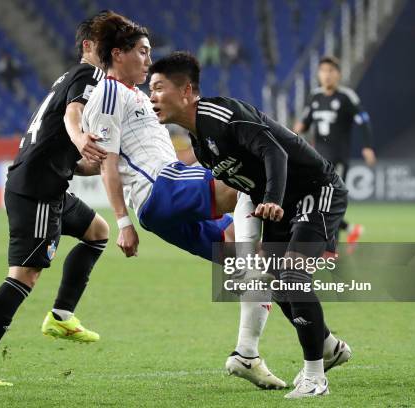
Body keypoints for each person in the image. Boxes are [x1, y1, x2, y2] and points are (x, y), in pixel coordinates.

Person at [82, 13, 285, 389]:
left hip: (165, 201)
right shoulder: (109, 91)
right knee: (247, 181)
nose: (147, 60)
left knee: (250, 254)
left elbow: (100, 159)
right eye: (141, 52)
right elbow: (108, 162)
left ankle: (249, 353)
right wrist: (122, 223)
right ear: (118, 54)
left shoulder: (134, 96)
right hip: (162, 187)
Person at [148, 51, 352, 399]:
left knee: (293, 276)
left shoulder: (221, 115)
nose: (151, 96)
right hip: (278, 205)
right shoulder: (201, 144)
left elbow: (275, 152)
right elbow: (245, 188)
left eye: (158, 88)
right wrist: (251, 240)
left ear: (186, 91)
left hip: (316, 190)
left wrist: (271, 197)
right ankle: (330, 349)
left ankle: (315, 377)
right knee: (273, 281)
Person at [0, 13, 111, 386]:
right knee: (25, 275)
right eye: (107, 42)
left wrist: (102, 165)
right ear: (89, 46)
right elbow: (73, 118)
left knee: (97, 231)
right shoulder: (89, 75)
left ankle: (61, 316)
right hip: (38, 191)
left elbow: (69, 157)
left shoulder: (70, 78)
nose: (113, 49)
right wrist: (81, 140)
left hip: (49, 184)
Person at [293, 56, 376, 246]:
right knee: (314, 201)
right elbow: (303, 124)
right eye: (323, 71)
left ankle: (332, 246)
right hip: (317, 159)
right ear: (318, 74)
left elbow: (364, 122)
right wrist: (291, 134)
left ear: (338, 74)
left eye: (331, 71)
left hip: (338, 159)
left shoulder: (346, 97)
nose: (327, 75)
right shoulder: (314, 97)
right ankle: (348, 230)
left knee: (330, 200)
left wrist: (368, 146)